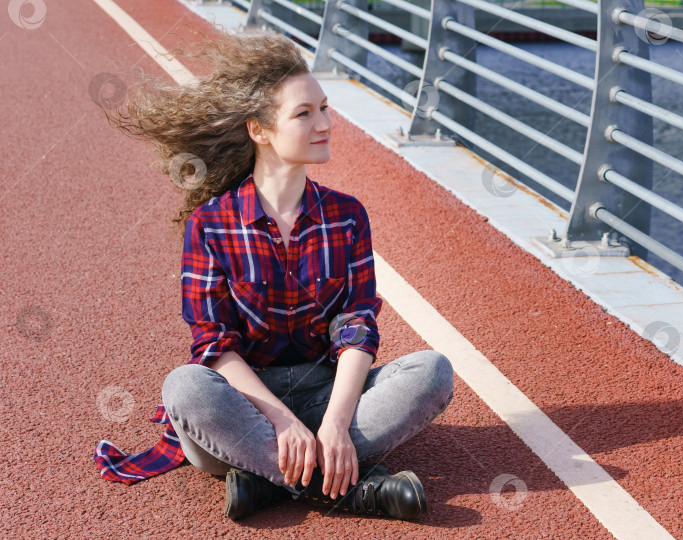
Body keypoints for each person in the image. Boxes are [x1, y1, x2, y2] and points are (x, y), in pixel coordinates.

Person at [93, 27, 454, 522]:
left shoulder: (347, 215)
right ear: (259, 130)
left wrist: (334, 420)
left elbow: (356, 327)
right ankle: (348, 488)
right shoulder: (211, 223)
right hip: (246, 408)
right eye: (304, 113)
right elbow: (213, 344)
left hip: (327, 392)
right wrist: (282, 423)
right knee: (185, 387)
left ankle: (272, 481)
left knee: (432, 372)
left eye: (324, 108)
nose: (325, 122)